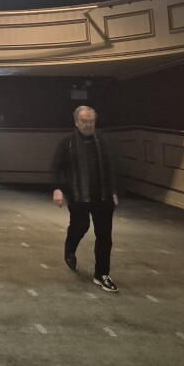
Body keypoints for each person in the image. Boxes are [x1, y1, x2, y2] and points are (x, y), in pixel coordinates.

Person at [53, 106, 120, 293]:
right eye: (84, 121)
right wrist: (57, 189)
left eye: (91, 121)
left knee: (105, 236)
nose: (88, 125)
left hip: (103, 195)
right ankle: (70, 247)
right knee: (80, 226)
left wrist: (114, 191)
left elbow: (110, 168)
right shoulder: (67, 142)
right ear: (76, 122)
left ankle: (102, 274)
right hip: (78, 194)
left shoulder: (103, 141)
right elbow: (57, 167)